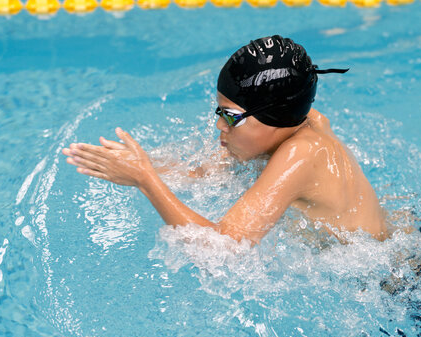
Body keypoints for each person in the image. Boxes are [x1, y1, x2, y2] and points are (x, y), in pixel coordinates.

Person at [62, 35, 388, 245]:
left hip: (400, 288)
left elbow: (224, 250)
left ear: (272, 116)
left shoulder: (300, 155)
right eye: (219, 110)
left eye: (230, 116)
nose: (218, 124)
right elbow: (204, 171)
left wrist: (145, 180)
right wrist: (137, 164)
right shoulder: (300, 122)